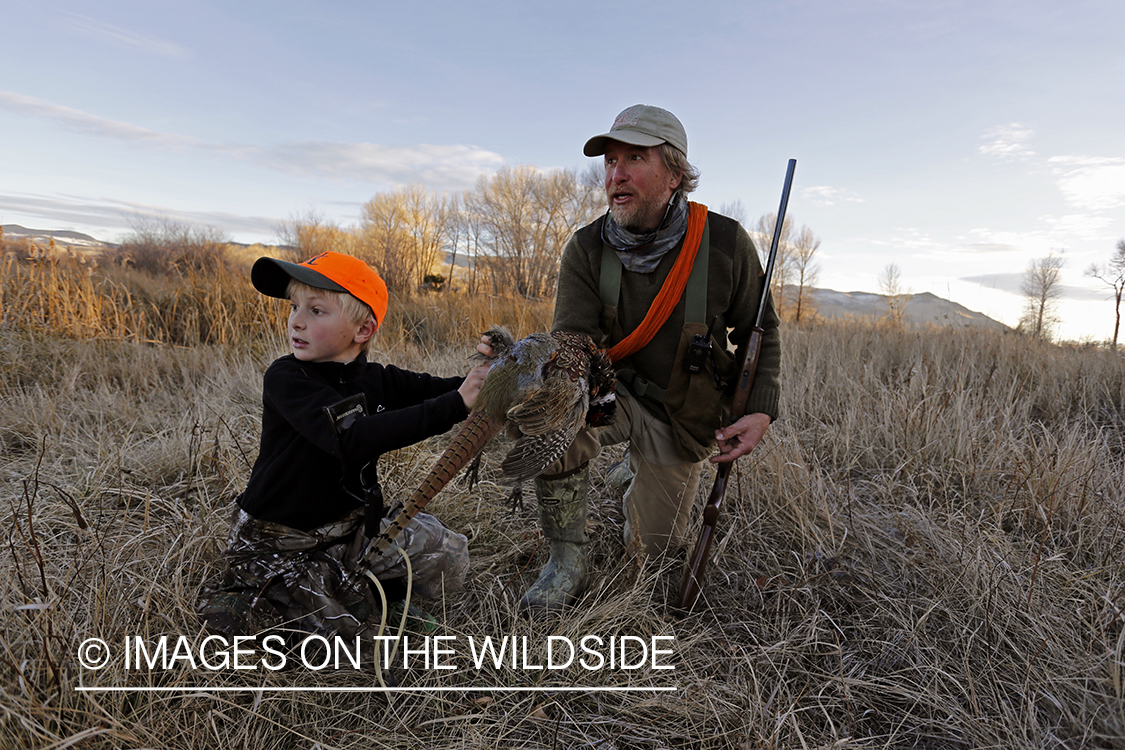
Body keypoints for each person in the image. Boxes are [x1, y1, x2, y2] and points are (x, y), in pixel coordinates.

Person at [522, 104, 782, 613]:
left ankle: (639, 472)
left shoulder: (726, 243)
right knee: (551, 418)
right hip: (611, 396)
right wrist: (540, 381)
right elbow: (573, 341)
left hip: (681, 417)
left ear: (676, 174)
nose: (615, 175)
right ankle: (566, 558)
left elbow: (761, 330)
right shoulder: (586, 248)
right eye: (609, 161)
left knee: (651, 560)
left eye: (634, 159)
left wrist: (761, 410)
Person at [198, 250, 489, 640]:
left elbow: (440, 391)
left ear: (363, 330)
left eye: (316, 311)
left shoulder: (377, 379)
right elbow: (352, 439)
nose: (296, 321)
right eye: (295, 307)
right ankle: (258, 593)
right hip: (280, 539)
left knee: (447, 552)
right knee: (347, 636)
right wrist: (456, 404)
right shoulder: (287, 378)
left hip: (349, 531)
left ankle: (361, 587)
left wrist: (491, 376)